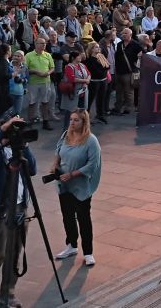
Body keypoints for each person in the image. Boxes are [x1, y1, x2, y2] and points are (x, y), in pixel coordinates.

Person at [0, 114, 36, 308]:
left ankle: (8, 295)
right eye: (10, 132)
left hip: (19, 206)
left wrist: (24, 145)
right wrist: (3, 130)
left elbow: (32, 169)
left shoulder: (19, 149)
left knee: (14, 253)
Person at [52, 110, 101, 267]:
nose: (72, 123)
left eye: (76, 120)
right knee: (67, 216)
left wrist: (73, 174)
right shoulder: (66, 134)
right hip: (63, 183)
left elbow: (93, 164)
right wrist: (54, 165)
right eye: (71, 120)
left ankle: (88, 253)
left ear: (84, 122)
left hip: (80, 185)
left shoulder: (91, 141)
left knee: (83, 218)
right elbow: (58, 150)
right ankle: (71, 245)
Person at [25, 38, 55, 131]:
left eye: (44, 43)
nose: (43, 45)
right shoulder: (28, 55)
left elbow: (52, 67)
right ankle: (29, 122)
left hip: (45, 82)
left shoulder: (48, 55)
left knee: (45, 102)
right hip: (33, 82)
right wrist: (35, 71)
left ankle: (45, 122)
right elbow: (25, 69)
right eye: (41, 43)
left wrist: (48, 73)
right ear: (36, 44)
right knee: (32, 102)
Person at [60, 49, 90, 129]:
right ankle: (66, 129)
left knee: (81, 111)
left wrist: (85, 82)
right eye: (79, 56)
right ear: (73, 58)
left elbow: (89, 74)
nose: (80, 57)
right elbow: (72, 79)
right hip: (73, 93)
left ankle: (80, 128)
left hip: (82, 92)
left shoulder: (82, 65)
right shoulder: (69, 67)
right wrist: (85, 81)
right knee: (70, 111)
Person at [85, 43, 111, 124]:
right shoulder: (89, 60)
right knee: (89, 100)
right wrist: (103, 67)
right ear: (92, 49)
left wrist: (103, 66)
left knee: (101, 99)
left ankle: (100, 115)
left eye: (99, 47)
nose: (99, 49)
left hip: (103, 81)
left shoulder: (101, 56)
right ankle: (86, 117)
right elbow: (95, 71)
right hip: (94, 82)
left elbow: (108, 66)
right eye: (96, 47)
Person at [8, 50, 29, 116]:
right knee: (7, 113)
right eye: (14, 55)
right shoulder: (8, 66)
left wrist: (22, 80)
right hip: (9, 92)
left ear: (22, 58)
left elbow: (27, 79)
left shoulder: (24, 67)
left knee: (17, 112)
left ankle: (15, 125)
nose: (16, 57)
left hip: (20, 93)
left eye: (18, 56)